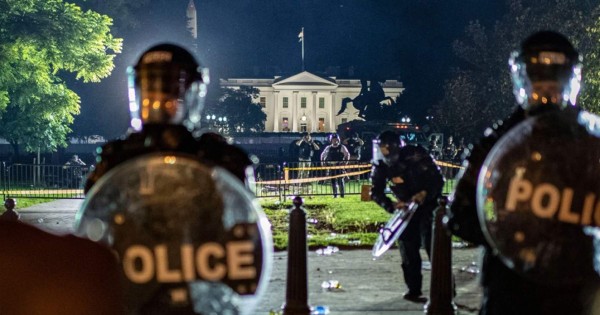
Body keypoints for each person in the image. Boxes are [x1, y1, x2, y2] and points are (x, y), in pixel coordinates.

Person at [445, 31, 600, 314]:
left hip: (578, 292)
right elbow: (459, 215)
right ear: (524, 80)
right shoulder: (497, 143)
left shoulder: (591, 141)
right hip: (512, 291)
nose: (547, 94)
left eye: (555, 84)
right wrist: (513, 232)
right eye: (540, 83)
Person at [84, 43, 253, 194]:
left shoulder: (216, 156)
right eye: (150, 98)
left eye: (168, 99)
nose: (158, 106)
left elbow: (242, 215)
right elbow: (95, 214)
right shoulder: (117, 157)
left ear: (189, 99)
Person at [370, 130, 444, 303]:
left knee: (434, 248)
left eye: (386, 149)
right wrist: (392, 205)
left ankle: (445, 289)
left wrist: (424, 193)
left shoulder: (415, 156)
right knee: (407, 249)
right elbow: (376, 191)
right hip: (406, 208)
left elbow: (437, 180)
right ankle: (414, 289)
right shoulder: (381, 164)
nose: (384, 153)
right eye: (381, 149)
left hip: (428, 205)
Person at [320, 133, 350, 198]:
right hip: (331, 166)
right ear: (331, 140)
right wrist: (323, 163)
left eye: (336, 139)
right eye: (333, 139)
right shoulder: (328, 148)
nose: (335, 140)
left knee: (340, 180)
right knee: (333, 181)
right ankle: (335, 194)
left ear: (338, 140)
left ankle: (342, 194)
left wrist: (345, 162)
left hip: (339, 166)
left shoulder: (342, 147)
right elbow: (322, 155)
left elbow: (347, 155)